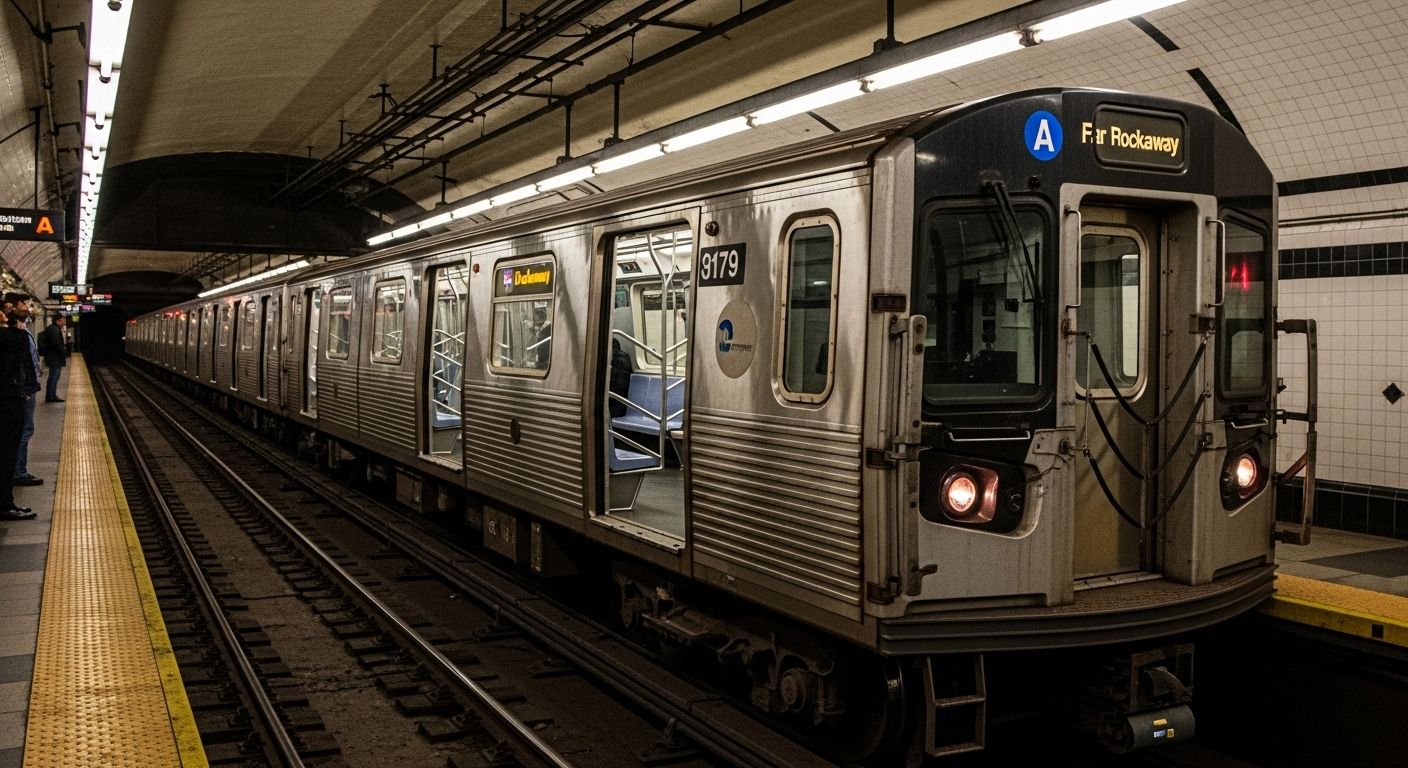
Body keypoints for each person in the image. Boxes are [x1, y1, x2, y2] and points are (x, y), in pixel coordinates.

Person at [1, 310, 38, 519]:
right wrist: (15, 327)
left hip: (10, 400)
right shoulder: (11, 337)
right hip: (8, 403)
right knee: (7, 455)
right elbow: (20, 341)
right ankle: (5, 505)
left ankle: (7, 503)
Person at [12, 311, 42, 486]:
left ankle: (18, 470)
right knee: (25, 429)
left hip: (27, 387)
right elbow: (26, 362)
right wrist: (28, 387)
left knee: (24, 429)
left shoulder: (24, 333)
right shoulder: (19, 336)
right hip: (25, 389)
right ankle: (19, 472)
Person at [38, 313, 68, 402]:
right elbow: (55, 343)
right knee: (54, 376)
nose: (64, 321)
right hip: (54, 357)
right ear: (58, 320)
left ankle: (51, 395)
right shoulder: (54, 329)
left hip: (53, 356)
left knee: (54, 376)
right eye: (63, 319)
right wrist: (63, 352)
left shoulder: (53, 328)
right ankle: (51, 396)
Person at [608, 338, 634, 417]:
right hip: (616, 404)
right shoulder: (624, 358)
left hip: (617, 407)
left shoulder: (620, 362)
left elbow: (617, 389)